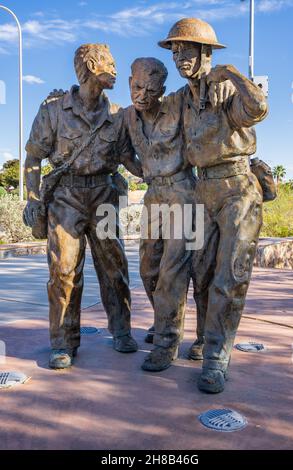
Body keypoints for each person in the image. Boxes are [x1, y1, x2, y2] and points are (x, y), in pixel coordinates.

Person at [159, 18, 268, 392]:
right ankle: (202, 339)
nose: (178, 57)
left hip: (236, 187)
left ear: (205, 52)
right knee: (200, 272)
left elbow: (258, 108)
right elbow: (144, 108)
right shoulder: (182, 98)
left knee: (229, 276)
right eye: (174, 51)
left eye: (185, 49)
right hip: (200, 189)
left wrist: (234, 73)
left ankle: (217, 360)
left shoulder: (225, 89)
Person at [23, 43, 143, 369]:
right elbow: (33, 157)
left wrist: (163, 172)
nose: (116, 70)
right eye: (110, 63)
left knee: (114, 267)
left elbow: (129, 159)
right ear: (91, 66)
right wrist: (34, 199)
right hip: (66, 198)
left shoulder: (118, 115)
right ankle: (63, 342)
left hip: (103, 196)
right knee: (63, 272)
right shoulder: (53, 111)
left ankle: (121, 330)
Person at [125, 57, 196, 371]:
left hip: (183, 193)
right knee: (148, 270)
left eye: (151, 91)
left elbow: (202, 85)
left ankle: (169, 342)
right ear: (130, 82)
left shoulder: (179, 105)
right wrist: (141, 172)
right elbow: (122, 152)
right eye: (137, 87)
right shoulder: (127, 117)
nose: (142, 95)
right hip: (154, 194)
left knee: (172, 272)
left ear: (162, 90)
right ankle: (163, 319)